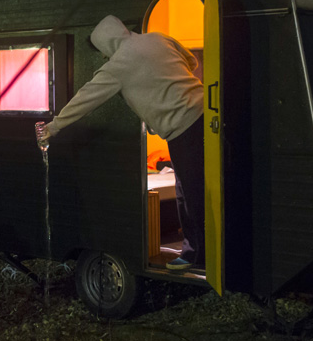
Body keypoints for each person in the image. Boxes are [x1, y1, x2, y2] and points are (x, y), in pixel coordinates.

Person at [39, 15, 205, 270]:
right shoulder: (159, 38)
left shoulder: (119, 64)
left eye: (104, 53)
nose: (105, 58)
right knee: (197, 186)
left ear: (107, 44)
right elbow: (192, 61)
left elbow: (86, 98)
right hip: (209, 114)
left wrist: (53, 126)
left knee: (191, 192)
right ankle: (207, 249)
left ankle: (196, 257)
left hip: (184, 127)